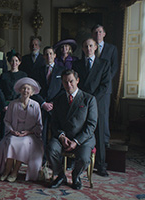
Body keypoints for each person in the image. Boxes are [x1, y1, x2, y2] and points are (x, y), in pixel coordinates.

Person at [47, 69, 97, 190]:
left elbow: (91, 125)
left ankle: (76, 176)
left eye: (71, 81)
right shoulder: (58, 100)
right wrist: (62, 136)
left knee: (84, 158)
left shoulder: (89, 99)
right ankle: (60, 175)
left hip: (83, 138)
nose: (68, 85)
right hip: (62, 137)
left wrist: (76, 141)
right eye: (65, 82)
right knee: (50, 149)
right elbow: (54, 123)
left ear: (77, 81)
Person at [73, 38, 110, 177]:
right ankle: (77, 162)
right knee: (79, 131)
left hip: (97, 103)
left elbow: (105, 85)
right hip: (81, 103)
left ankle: (101, 166)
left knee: (99, 134)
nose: (88, 48)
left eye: (90, 46)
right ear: (82, 49)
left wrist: (92, 100)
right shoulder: (77, 64)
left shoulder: (104, 64)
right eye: (85, 46)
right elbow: (75, 84)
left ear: (95, 47)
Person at [0, 77, 43, 182]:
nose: (25, 91)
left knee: (23, 143)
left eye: (28, 89)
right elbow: (6, 121)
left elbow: (39, 125)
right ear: (19, 90)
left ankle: (15, 171)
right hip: (14, 132)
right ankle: (7, 170)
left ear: (32, 92)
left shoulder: (35, 105)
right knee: (11, 141)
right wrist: (12, 130)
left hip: (29, 135)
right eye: (23, 88)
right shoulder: (13, 104)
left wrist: (28, 132)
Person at [31, 46, 65, 150]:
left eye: (51, 53)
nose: (49, 56)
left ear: (54, 55)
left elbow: (64, 90)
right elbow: (34, 89)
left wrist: (54, 103)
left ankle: (55, 157)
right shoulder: (37, 71)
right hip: (42, 106)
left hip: (56, 106)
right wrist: (43, 103)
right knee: (42, 132)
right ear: (43, 56)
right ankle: (42, 157)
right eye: (46, 54)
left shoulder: (62, 70)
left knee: (57, 131)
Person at [91, 24, 119, 147]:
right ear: (93, 34)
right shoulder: (90, 47)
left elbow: (114, 67)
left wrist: (104, 81)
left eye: (100, 32)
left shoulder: (111, 49)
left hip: (105, 89)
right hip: (92, 88)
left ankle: (105, 140)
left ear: (104, 34)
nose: (98, 34)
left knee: (103, 114)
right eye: (96, 32)